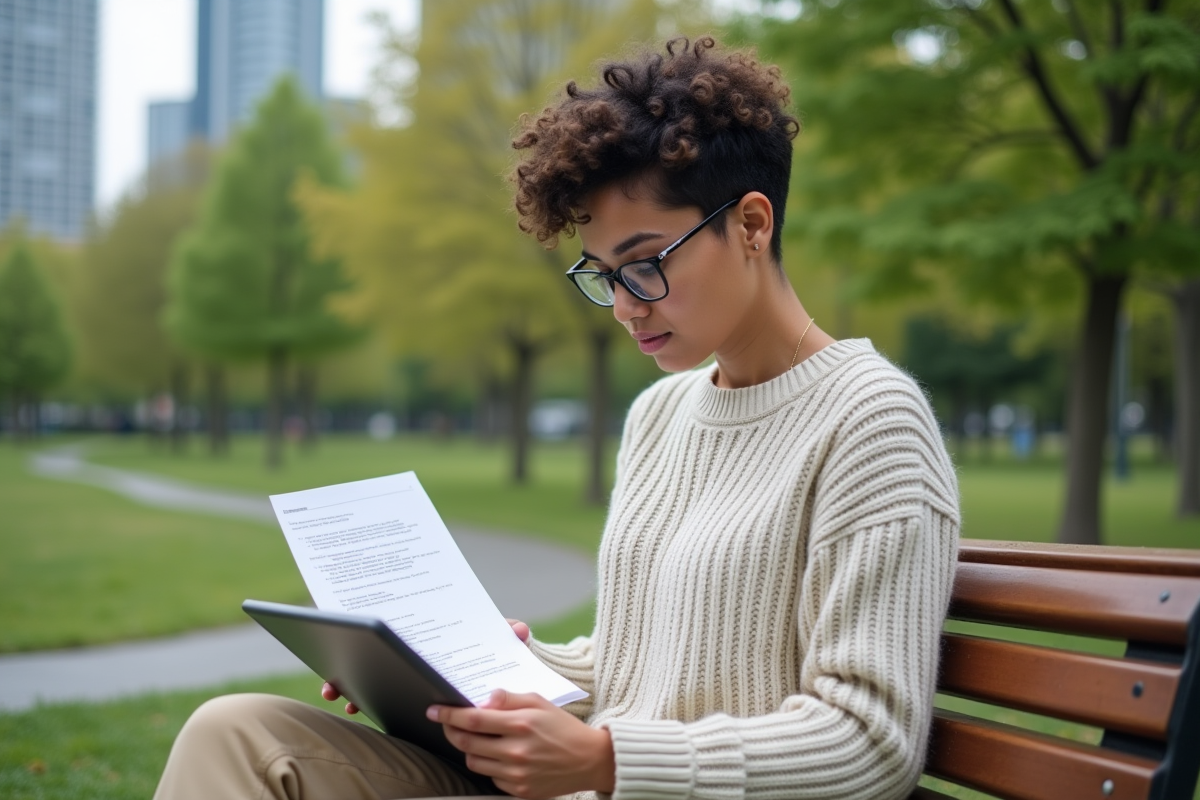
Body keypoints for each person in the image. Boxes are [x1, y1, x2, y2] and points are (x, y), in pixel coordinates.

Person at [152, 35, 959, 800]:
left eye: (644, 265)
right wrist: (490, 665)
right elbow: (638, 668)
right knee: (237, 733)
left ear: (751, 225)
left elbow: (872, 742)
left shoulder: (871, 423)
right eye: (602, 274)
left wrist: (610, 760)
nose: (621, 307)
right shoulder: (662, 414)